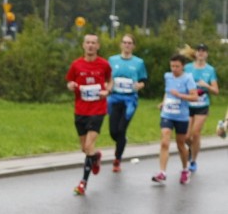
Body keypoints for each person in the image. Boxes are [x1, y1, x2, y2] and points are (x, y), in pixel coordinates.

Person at [66, 33, 111, 196]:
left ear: (98, 46)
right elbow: (70, 82)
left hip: (98, 110)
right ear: (83, 45)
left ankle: (83, 183)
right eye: (88, 43)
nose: (90, 45)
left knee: (88, 146)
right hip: (80, 110)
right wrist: (70, 85)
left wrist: (108, 90)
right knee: (84, 148)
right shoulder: (76, 65)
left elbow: (110, 80)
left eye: (93, 43)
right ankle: (95, 157)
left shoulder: (104, 64)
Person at [152, 54, 198, 185]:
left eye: (177, 66)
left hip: (181, 116)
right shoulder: (167, 76)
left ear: (183, 66)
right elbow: (167, 92)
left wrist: (180, 95)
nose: (174, 69)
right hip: (167, 114)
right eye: (172, 66)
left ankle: (185, 169)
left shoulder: (188, 78)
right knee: (164, 141)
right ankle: (162, 172)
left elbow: (194, 97)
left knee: (180, 144)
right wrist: (163, 102)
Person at [107, 34, 147, 172]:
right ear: (121, 45)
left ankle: (117, 160)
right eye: (124, 42)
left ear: (133, 46)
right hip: (114, 98)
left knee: (121, 129)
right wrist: (109, 85)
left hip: (130, 100)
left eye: (130, 43)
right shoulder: (112, 60)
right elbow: (107, 78)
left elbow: (143, 81)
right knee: (113, 132)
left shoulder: (139, 62)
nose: (127, 45)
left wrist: (140, 86)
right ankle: (122, 140)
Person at [183, 43, 219, 173]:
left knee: (196, 133)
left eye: (204, 51)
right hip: (188, 105)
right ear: (196, 53)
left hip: (202, 106)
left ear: (206, 54)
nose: (201, 53)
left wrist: (207, 86)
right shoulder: (187, 68)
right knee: (186, 136)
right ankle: (192, 149)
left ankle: (193, 161)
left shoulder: (210, 70)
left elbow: (216, 90)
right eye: (199, 50)